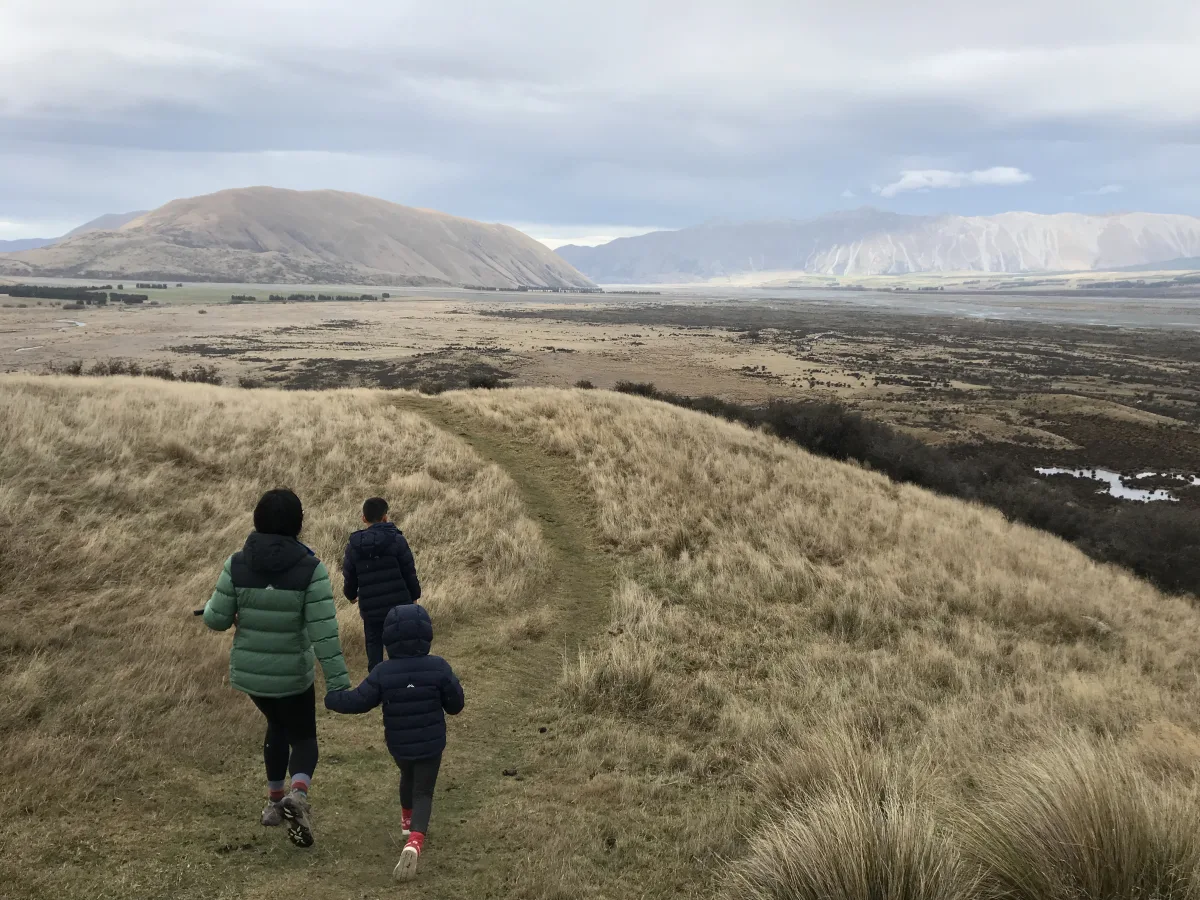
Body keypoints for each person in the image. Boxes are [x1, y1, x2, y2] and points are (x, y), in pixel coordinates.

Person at [203, 488, 351, 849]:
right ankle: (296, 797)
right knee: (304, 738)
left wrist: (220, 609)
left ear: (257, 519)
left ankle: (273, 805)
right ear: (298, 523)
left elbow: (215, 619)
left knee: (276, 726)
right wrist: (338, 684)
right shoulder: (311, 569)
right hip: (293, 677)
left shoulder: (236, 564)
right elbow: (323, 633)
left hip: (252, 676)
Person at [325, 603, 464, 880]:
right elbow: (456, 705)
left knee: (407, 775)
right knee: (423, 791)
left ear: (388, 637)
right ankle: (414, 842)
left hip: (399, 745)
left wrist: (333, 698)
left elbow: (359, 701)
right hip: (431, 744)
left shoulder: (382, 672)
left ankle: (406, 821)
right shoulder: (438, 667)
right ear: (426, 634)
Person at [343, 497, 421, 672]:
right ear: (385, 517)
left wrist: (351, 595)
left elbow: (349, 575)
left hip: (371, 609)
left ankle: (376, 684)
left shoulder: (354, 546)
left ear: (364, 518)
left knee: (374, 648)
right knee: (402, 647)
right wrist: (414, 596)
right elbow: (409, 571)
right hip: (400, 605)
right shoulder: (397, 540)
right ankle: (404, 681)